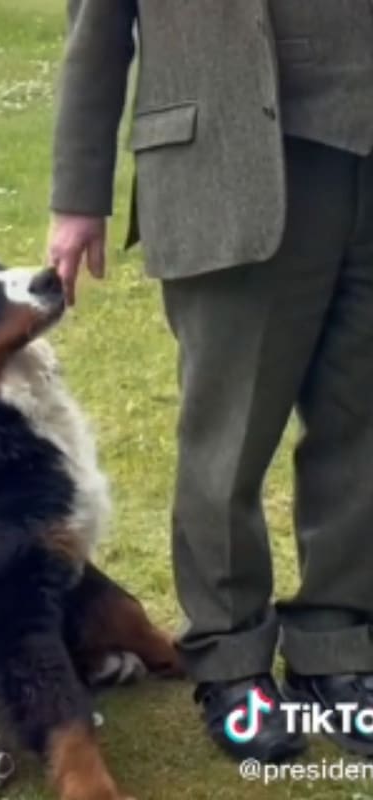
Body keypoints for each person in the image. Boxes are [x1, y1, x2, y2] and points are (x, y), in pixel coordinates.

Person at [48, 1, 373, 765]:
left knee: (361, 429)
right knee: (227, 442)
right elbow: (94, 34)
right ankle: (232, 661)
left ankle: (341, 644)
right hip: (222, 172)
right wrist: (78, 195)